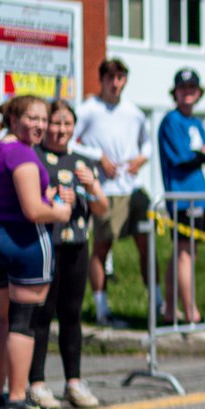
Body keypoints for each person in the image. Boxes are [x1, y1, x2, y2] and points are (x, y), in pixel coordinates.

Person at [0, 96, 74, 409]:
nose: (40, 126)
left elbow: (13, 196)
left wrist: (47, 197)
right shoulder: (23, 154)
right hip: (24, 241)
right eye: (32, 118)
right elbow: (33, 210)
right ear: (14, 118)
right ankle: (18, 399)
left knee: (3, 318)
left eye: (43, 119)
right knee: (23, 320)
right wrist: (59, 210)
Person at [28, 98, 108, 409]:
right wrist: (51, 198)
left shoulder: (81, 162)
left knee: (72, 315)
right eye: (55, 123)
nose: (60, 130)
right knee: (42, 314)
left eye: (66, 124)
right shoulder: (35, 158)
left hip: (76, 245)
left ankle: (74, 381)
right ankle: (36, 382)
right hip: (46, 245)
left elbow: (101, 209)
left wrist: (92, 189)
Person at [73, 58, 152, 327]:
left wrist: (142, 158)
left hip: (132, 189)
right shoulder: (89, 109)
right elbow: (72, 141)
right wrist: (98, 156)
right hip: (106, 190)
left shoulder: (134, 112)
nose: (116, 83)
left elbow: (148, 144)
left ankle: (157, 304)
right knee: (102, 248)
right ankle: (102, 309)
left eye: (120, 78)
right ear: (102, 80)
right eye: (111, 78)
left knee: (146, 244)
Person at [157, 68, 205, 324]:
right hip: (182, 197)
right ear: (176, 93)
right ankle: (190, 312)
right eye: (183, 89)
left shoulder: (196, 122)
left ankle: (171, 309)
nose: (188, 94)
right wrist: (200, 154)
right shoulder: (171, 121)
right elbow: (182, 158)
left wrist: (201, 154)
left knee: (184, 252)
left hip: (198, 195)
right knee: (185, 253)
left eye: (192, 89)